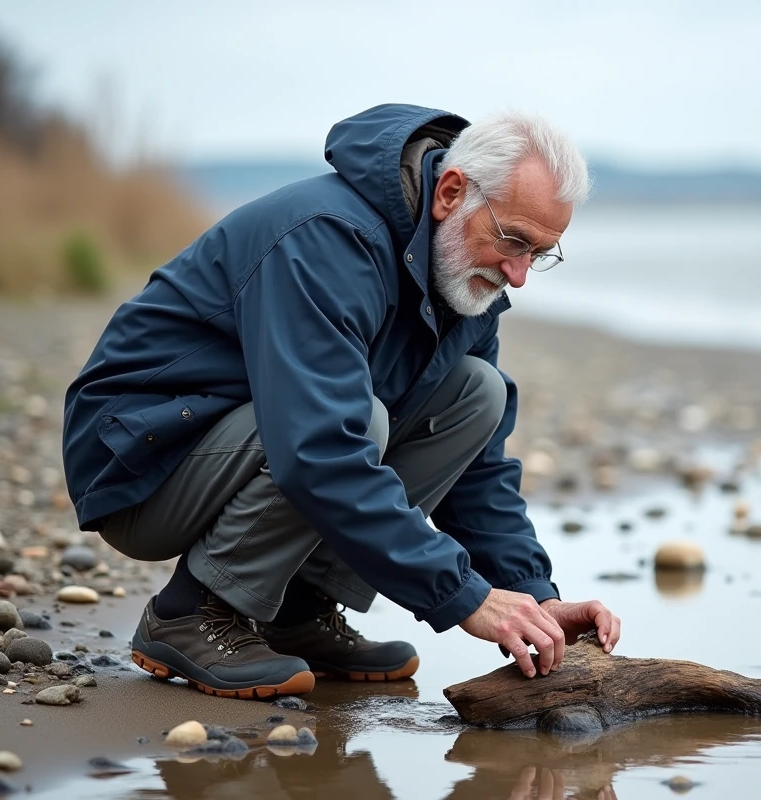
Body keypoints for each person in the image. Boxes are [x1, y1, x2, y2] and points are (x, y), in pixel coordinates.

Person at [62, 103, 621, 700]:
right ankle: (192, 613)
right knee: (359, 421)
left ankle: (298, 611)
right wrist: (466, 598)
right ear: (451, 192)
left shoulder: (461, 276)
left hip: (240, 443)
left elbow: (479, 475)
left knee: (476, 396)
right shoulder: (326, 239)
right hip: (142, 460)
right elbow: (319, 448)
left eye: (539, 253)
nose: (518, 274)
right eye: (512, 239)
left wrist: (537, 600)